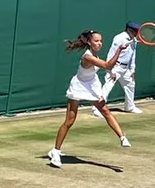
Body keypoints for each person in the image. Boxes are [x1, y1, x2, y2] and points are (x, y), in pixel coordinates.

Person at [48, 30, 131, 169]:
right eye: (96, 41)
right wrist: (119, 50)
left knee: (105, 111)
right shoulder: (87, 56)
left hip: (92, 84)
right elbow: (106, 65)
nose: (100, 43)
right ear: (89, 42)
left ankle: (122, 137)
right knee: (69, 121)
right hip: (79, 86)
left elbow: (103, 66)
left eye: (101, 41)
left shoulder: (94, 54)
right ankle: (55, 151)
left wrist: (110, 72)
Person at [92, 22, 142, 118]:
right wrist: (110, 70)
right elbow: (111, 54)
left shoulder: (134, 40)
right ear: (129, 30)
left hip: (126, 69)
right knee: (107, 87)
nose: (137, 33)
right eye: (135, 31)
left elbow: (133, 55)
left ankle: (129, 107)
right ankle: (97, 109)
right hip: (115, 67)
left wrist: (132, 69)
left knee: (130, 85)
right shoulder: (119, 38)